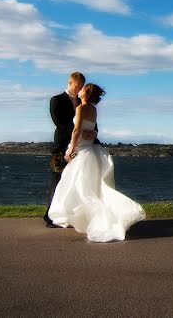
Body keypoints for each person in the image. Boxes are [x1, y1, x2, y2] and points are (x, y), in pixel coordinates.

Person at [47, 83, 146, 242]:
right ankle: (85, 218)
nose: (79, 91)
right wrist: (91, 133)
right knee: (87, 186)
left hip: (81, 149)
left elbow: (77, 129)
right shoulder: (93, 109)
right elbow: (90, 128)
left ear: (86, 93)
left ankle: (86, 217)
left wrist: (71, 149)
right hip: (90, 149)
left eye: (83, 89)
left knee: (79, 185)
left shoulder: (80, 108)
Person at [44, 71, 86, 227]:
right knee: (57, 180)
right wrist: (78, 131)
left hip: (80, 146)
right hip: (62, 145)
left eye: (81, 87)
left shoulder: (82, 103)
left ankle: (68, 215)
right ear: (70, 83)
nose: (79, 89)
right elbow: (59, 123)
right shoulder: (56, 100)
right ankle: (49, 216)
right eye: (77, 86)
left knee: (74, 180)